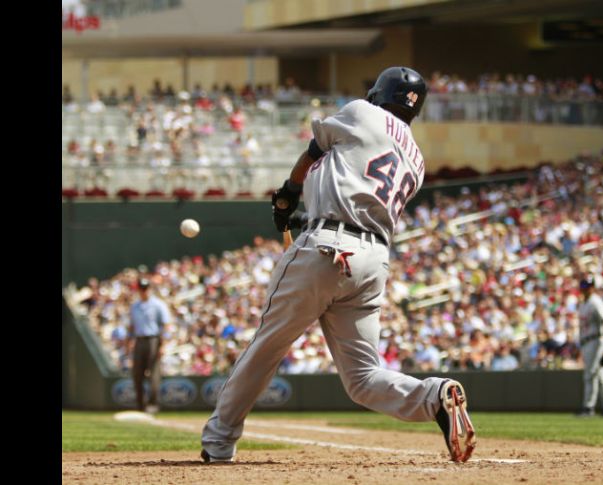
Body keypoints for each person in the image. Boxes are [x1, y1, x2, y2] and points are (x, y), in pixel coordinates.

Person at [201, 67, 476, 463]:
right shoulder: (416, 158)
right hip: (372, 262)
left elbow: (313, 153)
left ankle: (218, 442)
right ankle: (434, 396)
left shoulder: (364, 112)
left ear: (378, 93)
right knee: (363, 378)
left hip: (327, 246)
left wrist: (288, 195)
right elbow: (353, 177)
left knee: (267, 347)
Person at [128, 278, 171, 414]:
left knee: (154, 373)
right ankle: (140, 404)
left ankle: (153, 404)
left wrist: (163, 345)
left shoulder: (158, 305)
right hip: (139, 340)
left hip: (153, 339)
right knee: (137, 374)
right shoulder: (135, 306)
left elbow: (166, 325)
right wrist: (129, 341)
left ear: (150, 289)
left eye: (146, 288)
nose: (144, 291)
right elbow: (131, 326)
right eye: (141, 288)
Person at [576, 276, 603, 417]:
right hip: (586, 341)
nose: (584, 289)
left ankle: (588, 407)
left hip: (596, 340)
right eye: (583, 286)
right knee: (601, 375)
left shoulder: (596, 302)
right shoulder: (583, 304)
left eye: (586, 287)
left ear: (592, 287)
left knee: (590, 375)